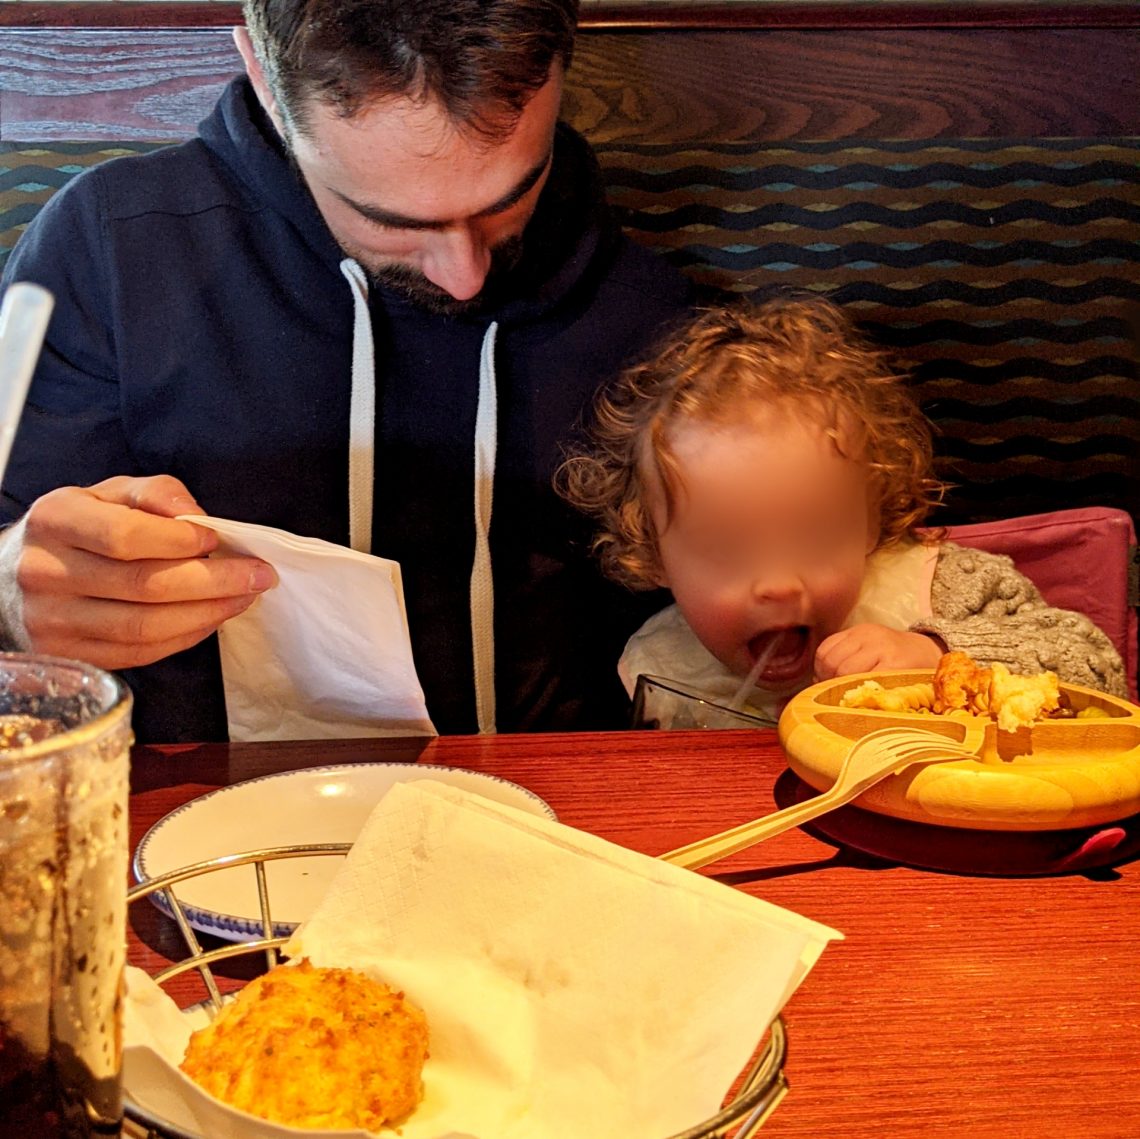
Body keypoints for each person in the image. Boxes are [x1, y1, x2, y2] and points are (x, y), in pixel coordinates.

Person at [0, 0, 694, 743]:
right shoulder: (107, 251)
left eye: (510, 197)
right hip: (189, 814)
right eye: (394, 221)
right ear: (266, 79)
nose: (464, 276)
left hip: (563, 814)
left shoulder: (653, 308)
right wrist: (12, 593)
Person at [557, 297, 1127, 720]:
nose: (778, 584)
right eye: (725, 549)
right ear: (654, 556)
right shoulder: (659, 664)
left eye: (814, 535)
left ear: (871, 518)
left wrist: (938, 654)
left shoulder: (949, 586)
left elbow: (1100, 670)